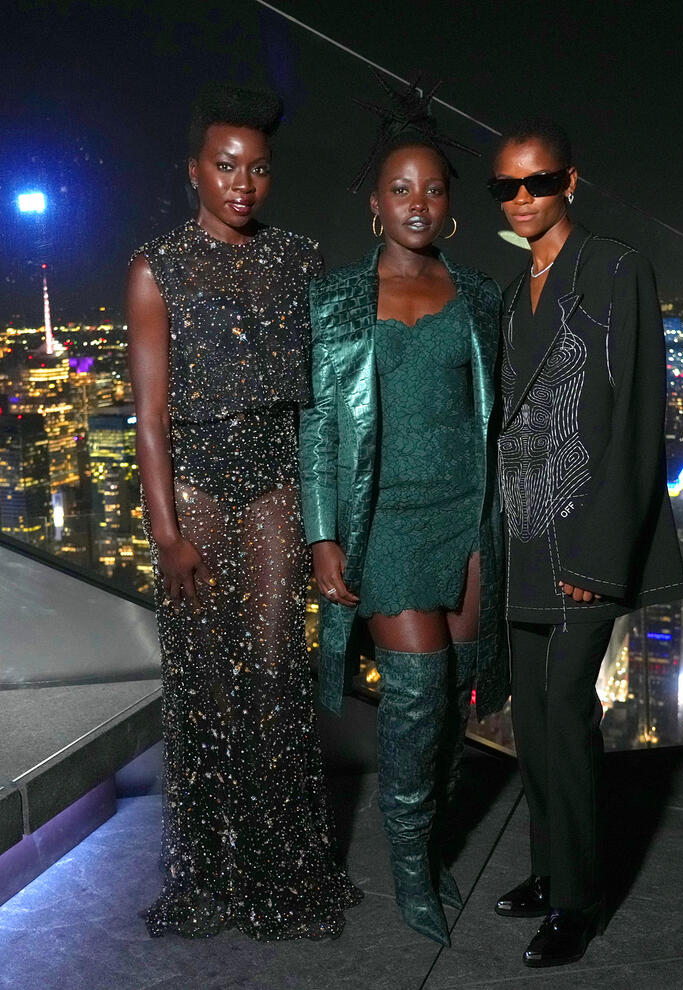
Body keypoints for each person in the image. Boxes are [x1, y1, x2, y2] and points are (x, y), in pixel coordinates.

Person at [126, 84, 361, 941]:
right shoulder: (157, 265)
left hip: (275, 489)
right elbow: (148, 417)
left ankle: (280, 870)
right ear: (196, 172)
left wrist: (319, 515)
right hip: (193, 490)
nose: (242, 182)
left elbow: (317, 404)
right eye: (226, 166)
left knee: (271, 679)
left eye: (257, 168)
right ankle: (212, 873)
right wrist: (167, 532)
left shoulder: (300, 259)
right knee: (203, 686)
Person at [299, 90, 507, 947]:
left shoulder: (484, 295)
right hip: (383, 519)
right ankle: (411, 869)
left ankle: (433, 841)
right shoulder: (339, 300)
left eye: (432, 189)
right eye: (400, 189)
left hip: (466, 515)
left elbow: (502, 415)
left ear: (449, 204)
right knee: (416, 698)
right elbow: (317, 423)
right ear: (374, 202)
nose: (417, 203)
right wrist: (322, 533)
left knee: (458, 699)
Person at [488, 119, 683, 967]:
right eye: (508, 187)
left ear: (571, 181)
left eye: (539, 181)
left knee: (564, 712)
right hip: (521, 532)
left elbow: (640, 421)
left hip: (582, 541)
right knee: (530, 717)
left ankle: (576, 900)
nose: (523, 198)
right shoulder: (511, 291)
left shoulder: (613, 268)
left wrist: (599, 561)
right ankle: (549, 866)